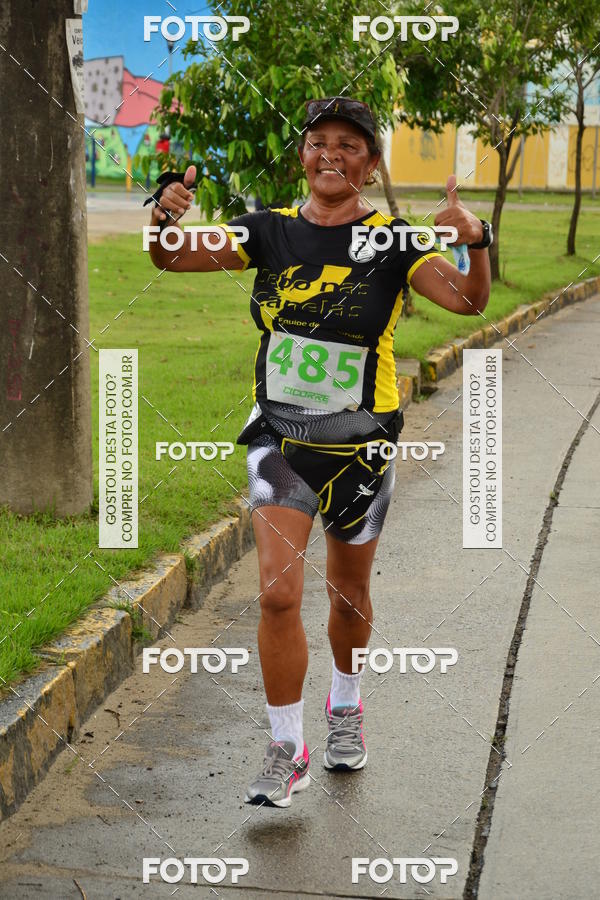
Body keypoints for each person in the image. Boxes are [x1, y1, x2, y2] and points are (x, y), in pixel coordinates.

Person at [147, 97, 492, 808]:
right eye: (318, 142)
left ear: (369, 163)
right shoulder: (266, 231)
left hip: (361, 445)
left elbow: (466, 300)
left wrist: (477, 239)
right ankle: (285, 746)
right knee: (276, 593)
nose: (331, 154)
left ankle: (346, 706)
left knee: (348, 593)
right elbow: (173, 256)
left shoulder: (396, 243)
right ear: (303, 156)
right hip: (279, 438)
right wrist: (162, 218)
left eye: (349, 144)